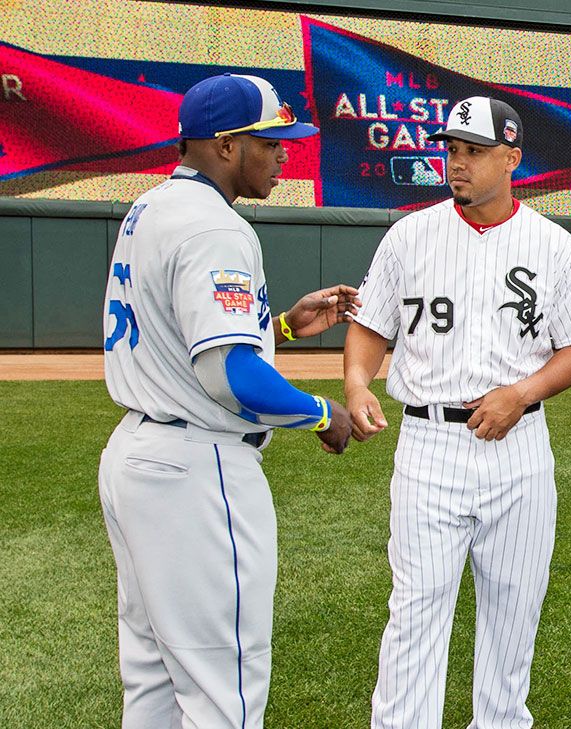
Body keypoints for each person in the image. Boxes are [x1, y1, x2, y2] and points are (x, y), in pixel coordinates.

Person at [99, 73, 356, 728]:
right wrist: (323, 412)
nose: (283, 155)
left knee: (154, 680)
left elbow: (182, 338)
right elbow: (229, 376)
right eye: (269, 142)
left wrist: (287, 327)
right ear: (223, 145)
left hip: (137, 457)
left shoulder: (149, 208)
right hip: (197, 472)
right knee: (225, 691)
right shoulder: (217, 228)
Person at [344, 96, 571, 729]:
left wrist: (523, 393)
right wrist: (357, 384)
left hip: (518, 447)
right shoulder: (409, 235)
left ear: (511, 158)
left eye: (474, 151)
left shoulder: (551, 243)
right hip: (429, 444)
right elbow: (369, 327)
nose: (456, 163)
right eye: (452, 149)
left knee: (514, 610)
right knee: (416, 608)